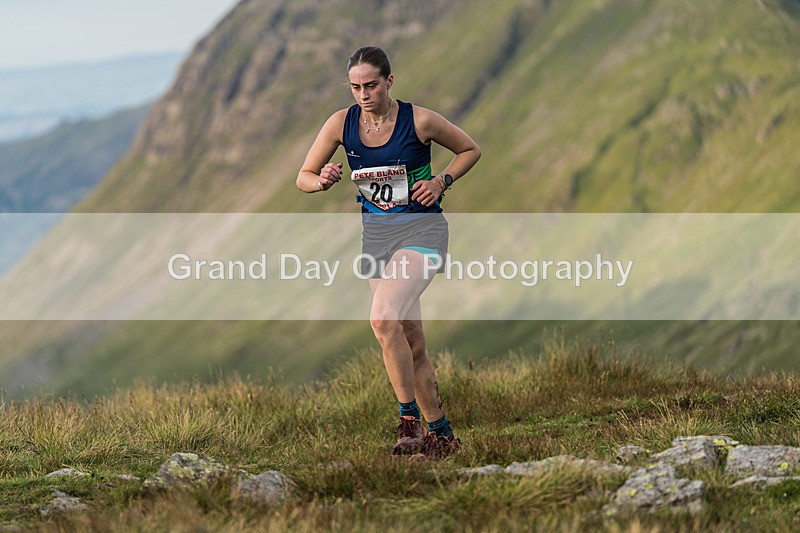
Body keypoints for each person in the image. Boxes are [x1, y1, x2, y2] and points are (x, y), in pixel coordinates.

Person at [297, 46, 480, 459]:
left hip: (422, 231)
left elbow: (470, 150)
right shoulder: (340, 124)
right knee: (409, 340)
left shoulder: (421, 120)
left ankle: (409, 421)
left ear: (389, 82)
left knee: (381, 319)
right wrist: (321, 180)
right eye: (355, 87)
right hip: (376, 240)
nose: (363, 94)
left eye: (371, 85)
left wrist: (441, 181)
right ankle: (443, 436)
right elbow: (303, 177)